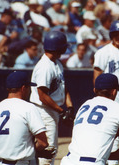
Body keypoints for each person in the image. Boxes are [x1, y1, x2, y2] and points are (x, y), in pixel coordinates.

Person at [61, 73, 119, 165]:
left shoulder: (84, 105)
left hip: (68, 161)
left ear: (95, 90)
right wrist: (106, 156)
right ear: (114, 91)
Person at [30, 30, 74, 165]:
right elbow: (42, 96)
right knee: (48, 150)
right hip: (43, 111)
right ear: (58, 47)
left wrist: (70, 106)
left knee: (48, 149)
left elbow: (63, 87)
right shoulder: (45, 66)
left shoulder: (56, 63)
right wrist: (61, 111)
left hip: (51, 109)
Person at [0, 71, 49, 165]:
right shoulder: (29, 108)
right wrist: (33, 150)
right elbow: (43, 143)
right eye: (28, 87)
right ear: (23, 88)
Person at [93, 20, 119, 165]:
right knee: (110, 131)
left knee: (118, 133)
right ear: (111, 35)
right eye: (116, 34)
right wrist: (99, 96)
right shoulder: (103, 52)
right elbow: (97, 73)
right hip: (108, 94)